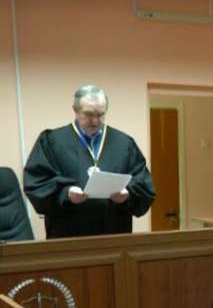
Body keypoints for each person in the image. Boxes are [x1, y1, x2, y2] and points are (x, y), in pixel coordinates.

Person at [23, 85, 155, 239]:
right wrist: (65, 194)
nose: (95, 121)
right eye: (89, 114)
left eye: (101, 115)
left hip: (114, 234)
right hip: (68, 235)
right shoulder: (52, 141)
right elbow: (37, 183)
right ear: (75, 110)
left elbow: (143, 185)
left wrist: (128, 195)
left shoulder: (124, 143)